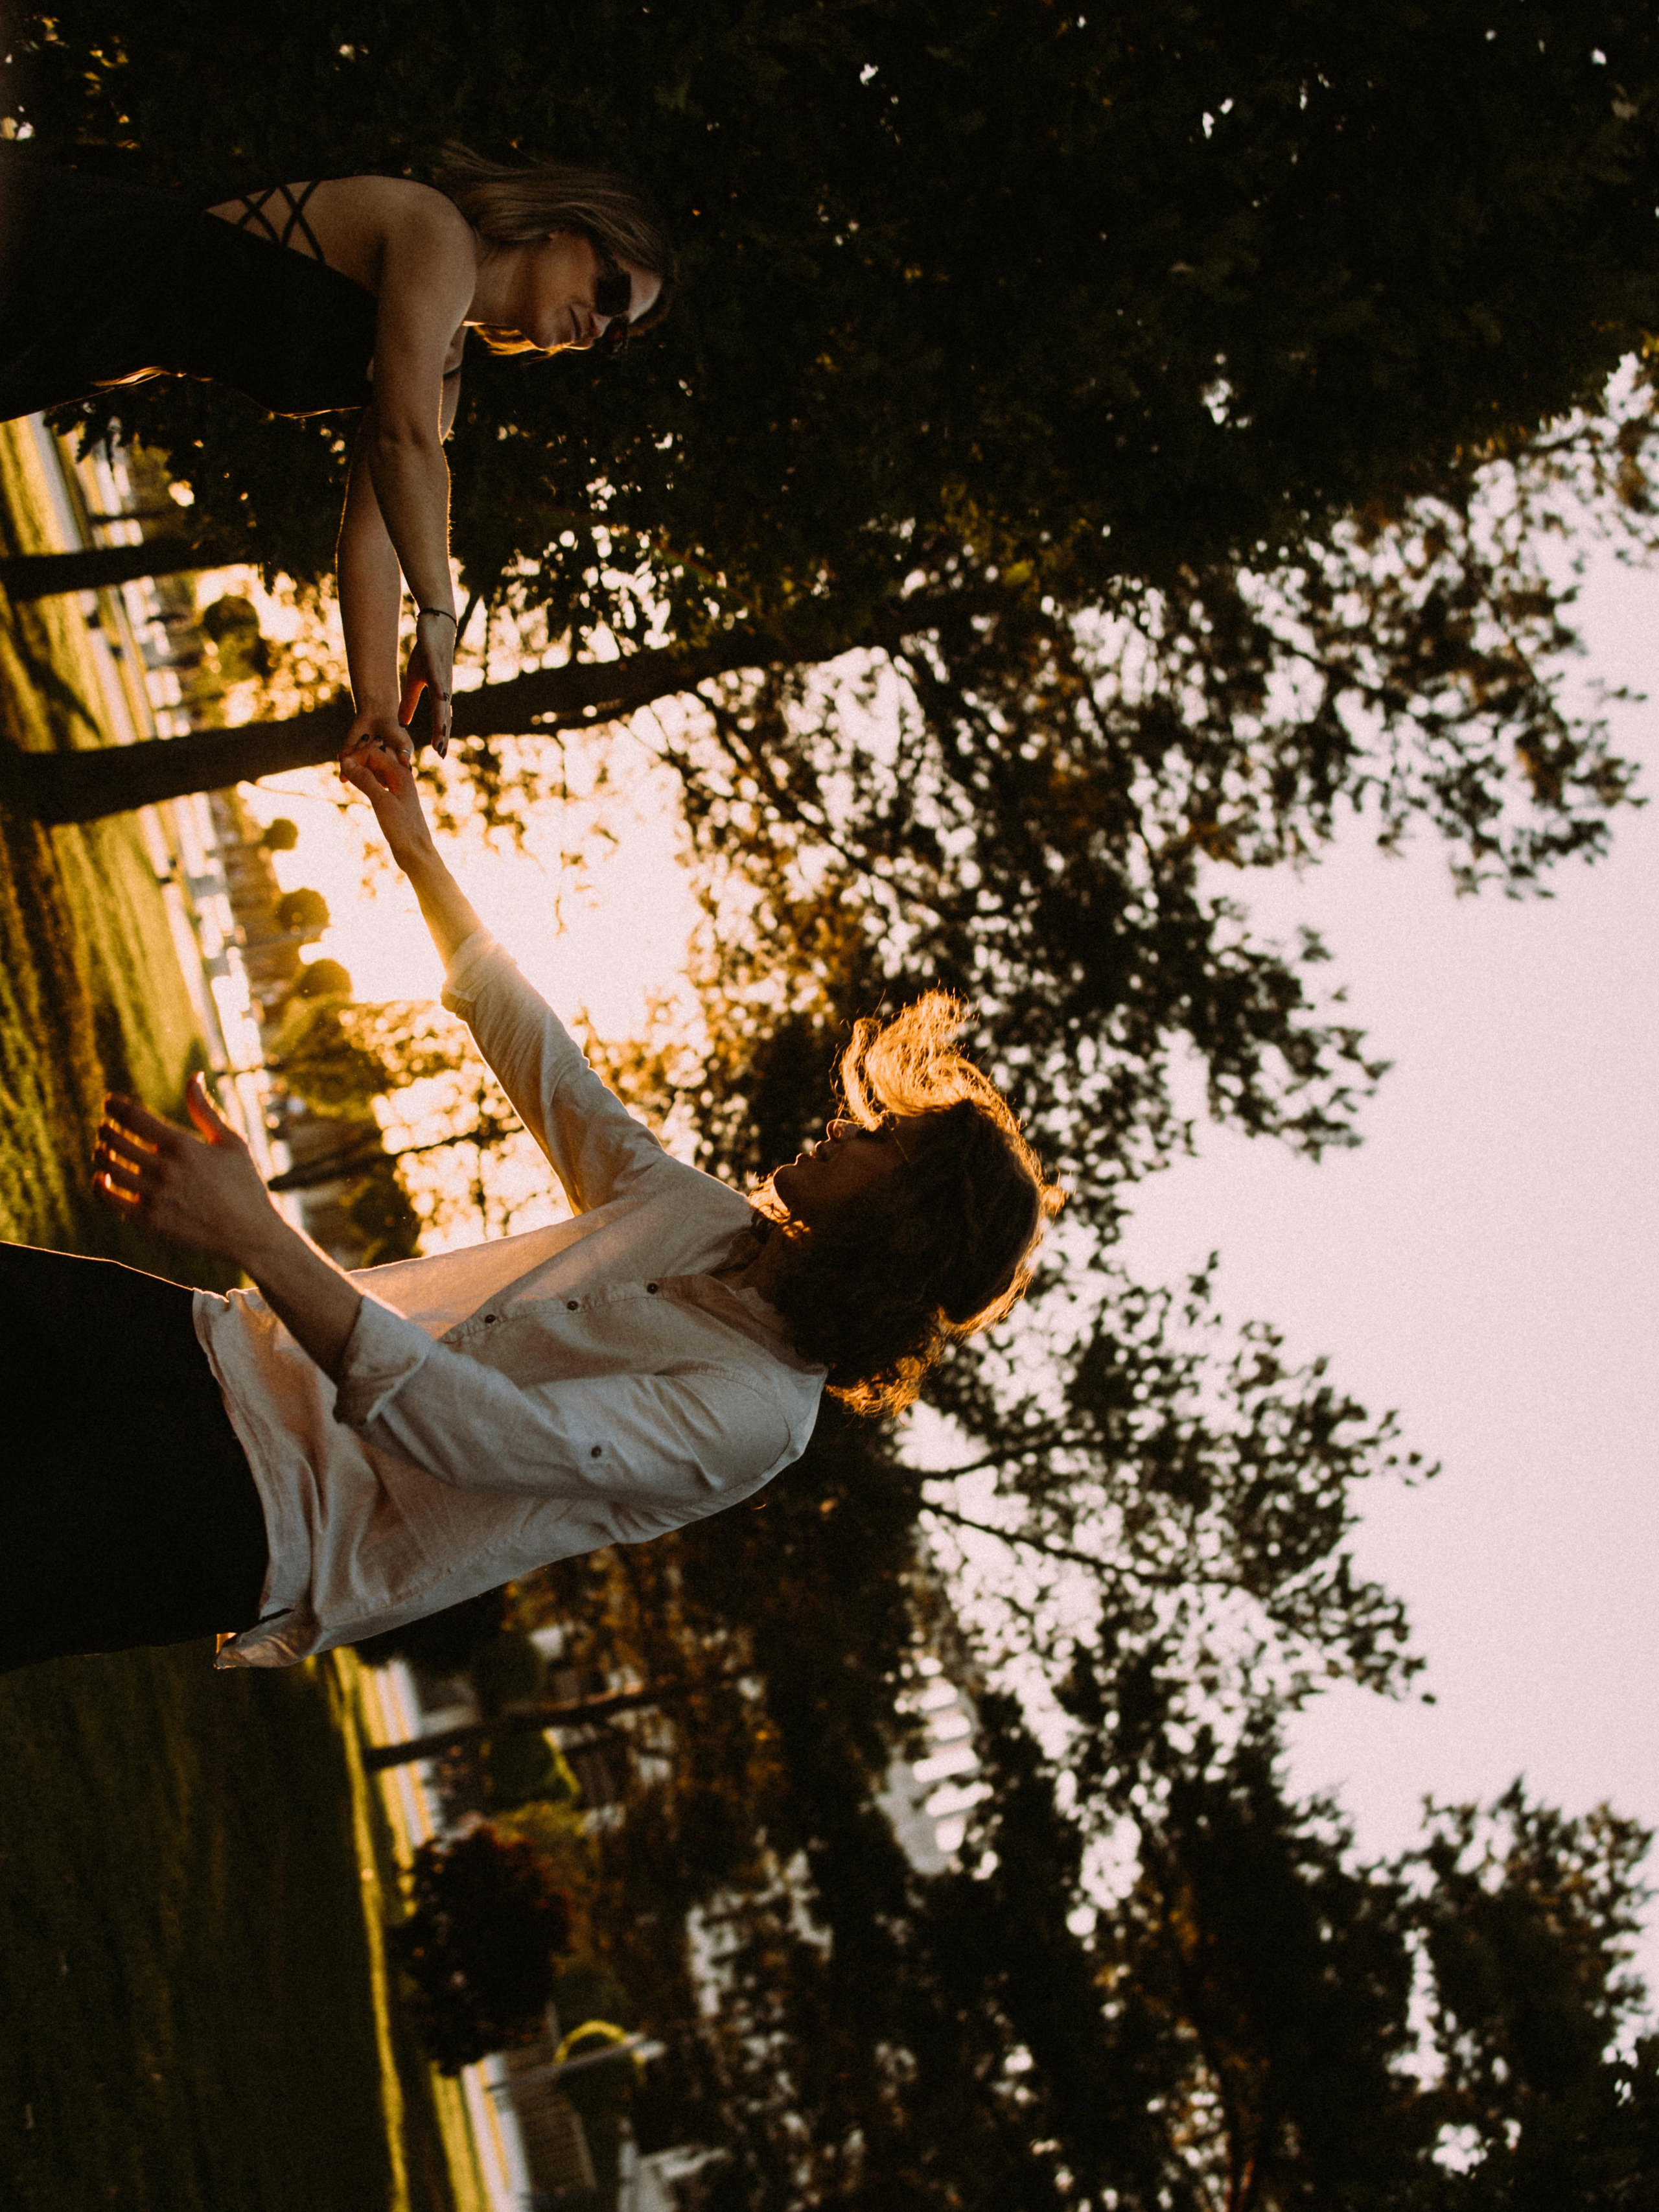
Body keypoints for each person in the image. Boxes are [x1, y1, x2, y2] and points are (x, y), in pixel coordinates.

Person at [0, 743, 1060, 1675]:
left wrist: (259, 1234)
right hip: (220, 1349)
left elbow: (481, 1434)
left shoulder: (754, 1416)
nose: (842, 1124)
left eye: (879, 1135)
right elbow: (545, 1060)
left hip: (258, 1511)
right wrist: (417, 846)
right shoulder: (704, 1215)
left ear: (902, 1219)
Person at [0, 141, 675, 757]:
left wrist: (379, 707)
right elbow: (403, 444)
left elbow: (375, 537)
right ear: (566, 224)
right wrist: (439, 609)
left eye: (618, 334)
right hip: (59, 248)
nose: (601, 327)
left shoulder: (440, 371)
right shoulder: (436, 233)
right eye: (612, 292)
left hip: (90, 345)